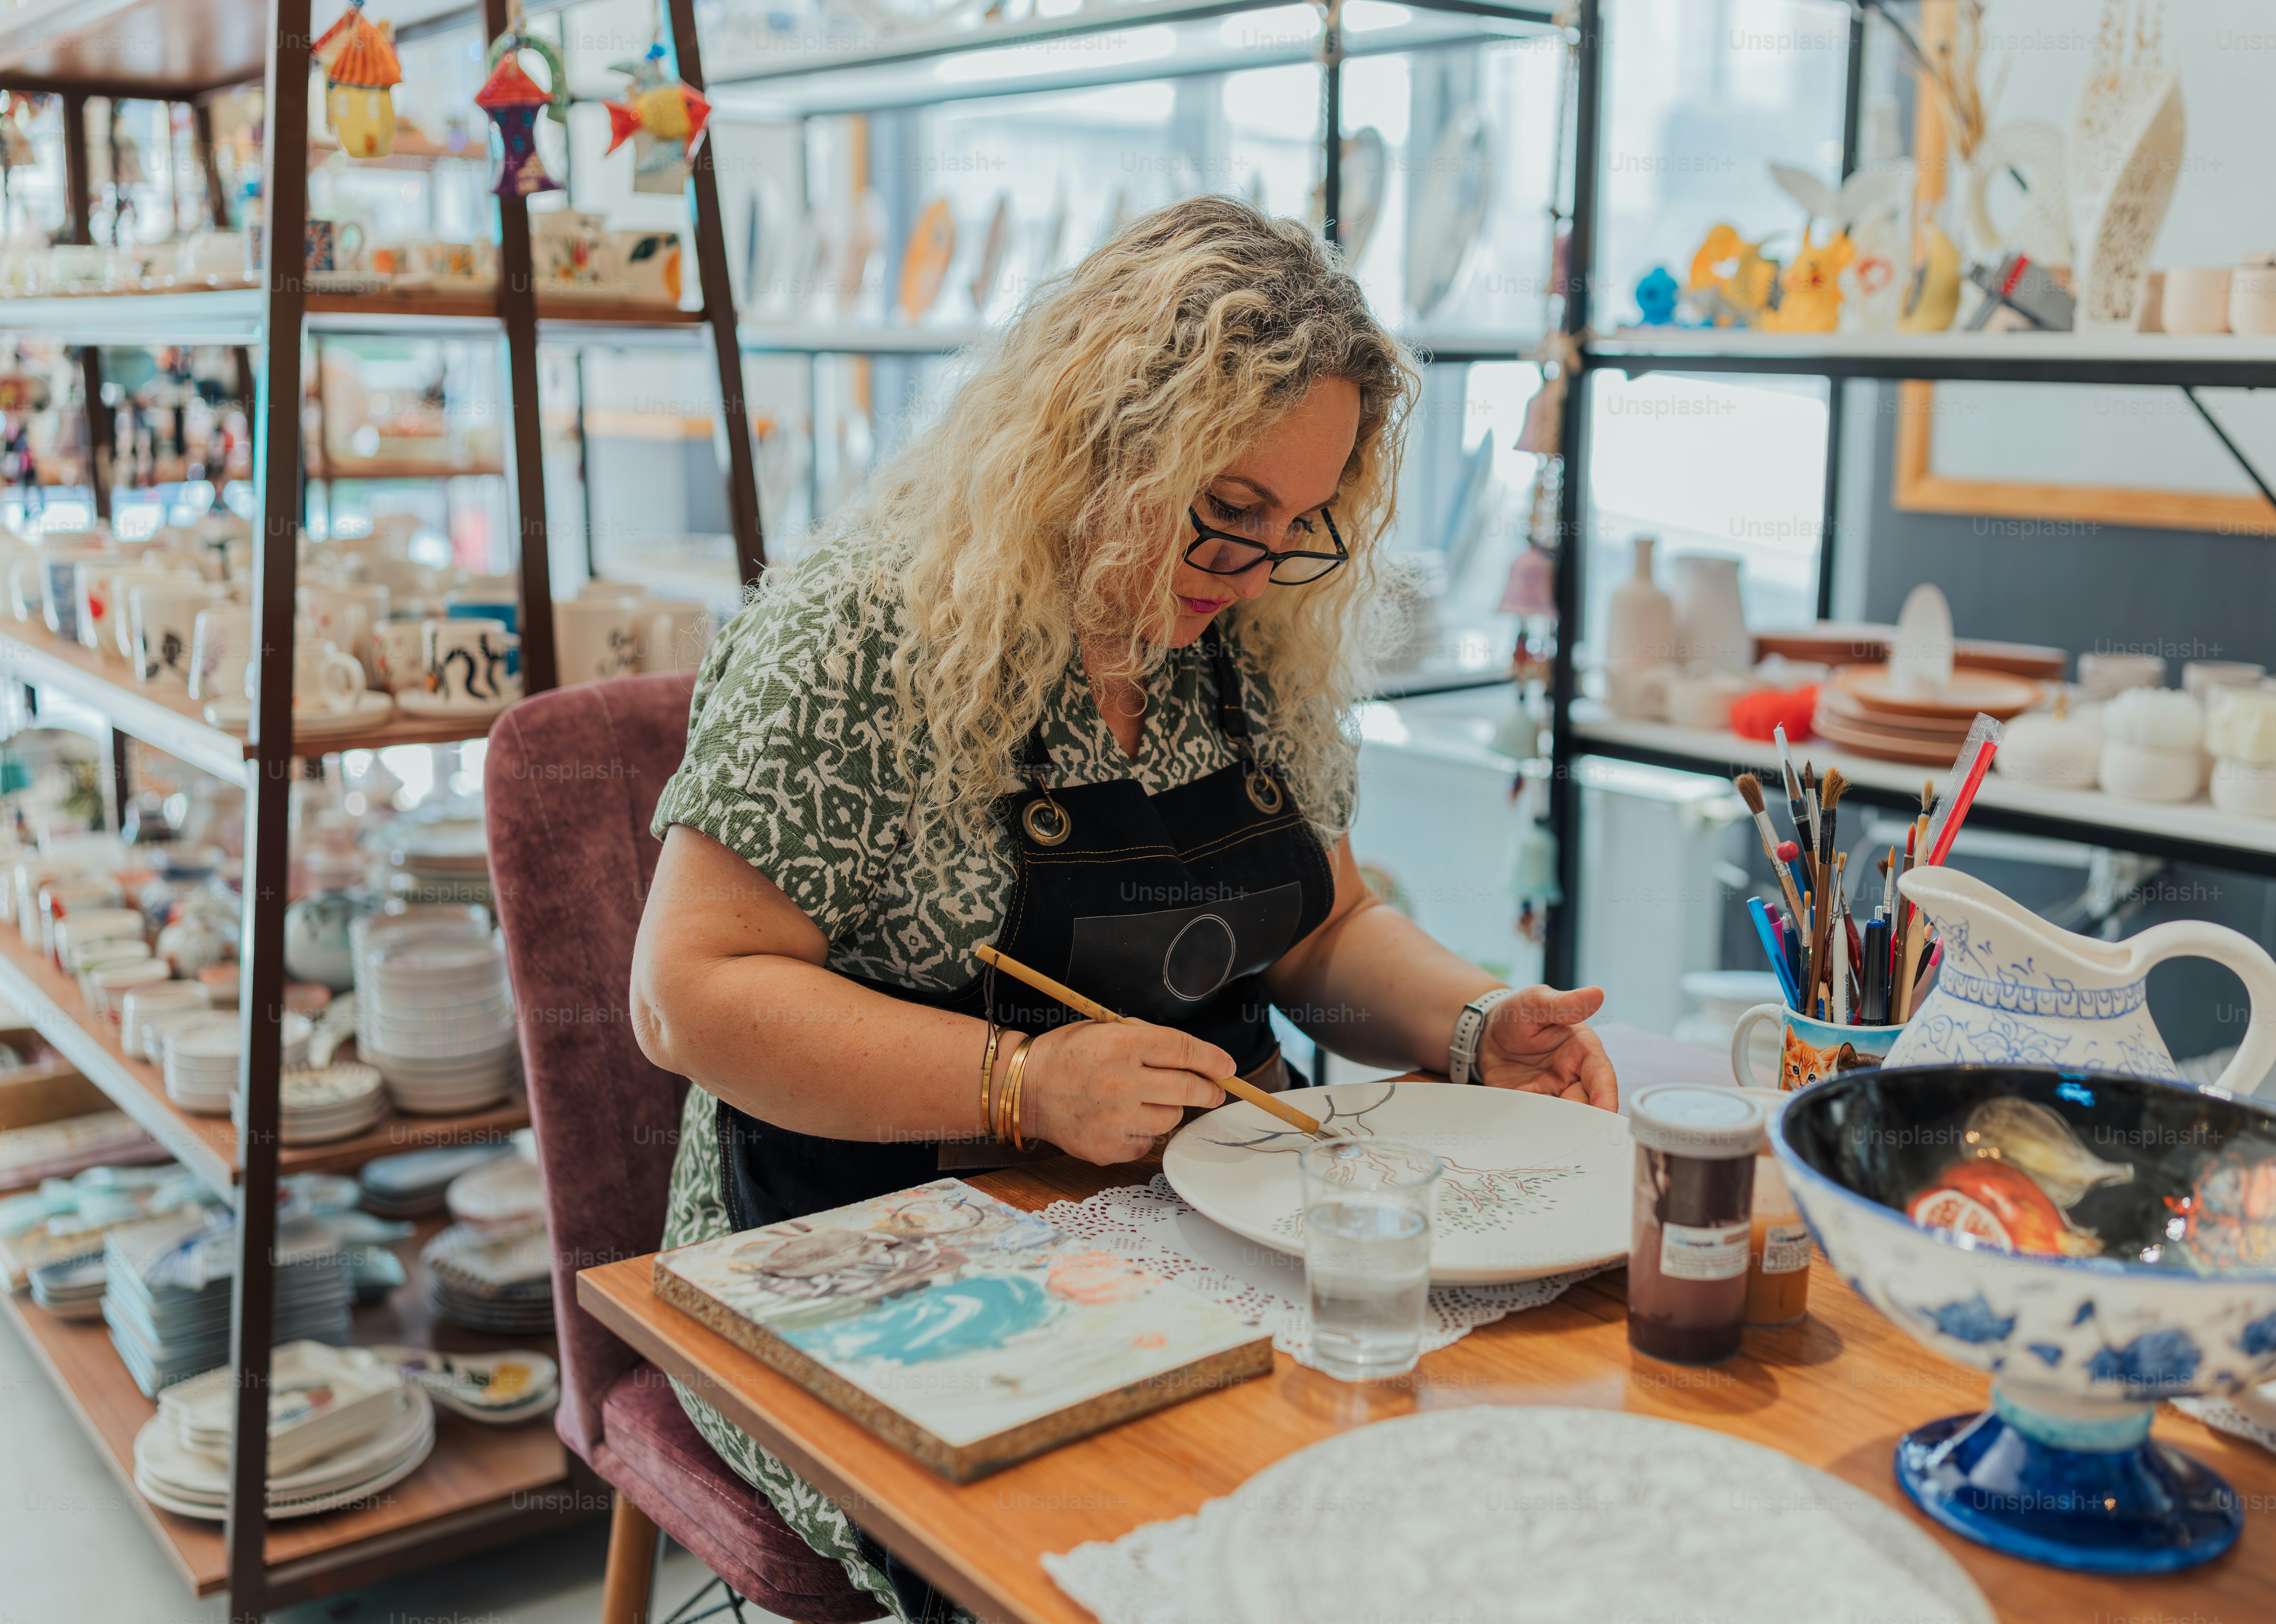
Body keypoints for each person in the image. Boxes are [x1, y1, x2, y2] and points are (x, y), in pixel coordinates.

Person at [630, 195, 1617, 1622]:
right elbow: (691, 994)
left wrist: (1470, 1017)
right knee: (1140, 1567)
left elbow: (1324, 931)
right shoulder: (855, 638)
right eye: (1223, 515)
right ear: (1097, 440)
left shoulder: (1248, 638)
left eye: (1297, 527)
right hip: (879, 1241)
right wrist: (1019, 1082)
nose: (1254, 567)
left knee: (1448, 1510)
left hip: (1205, 1219)